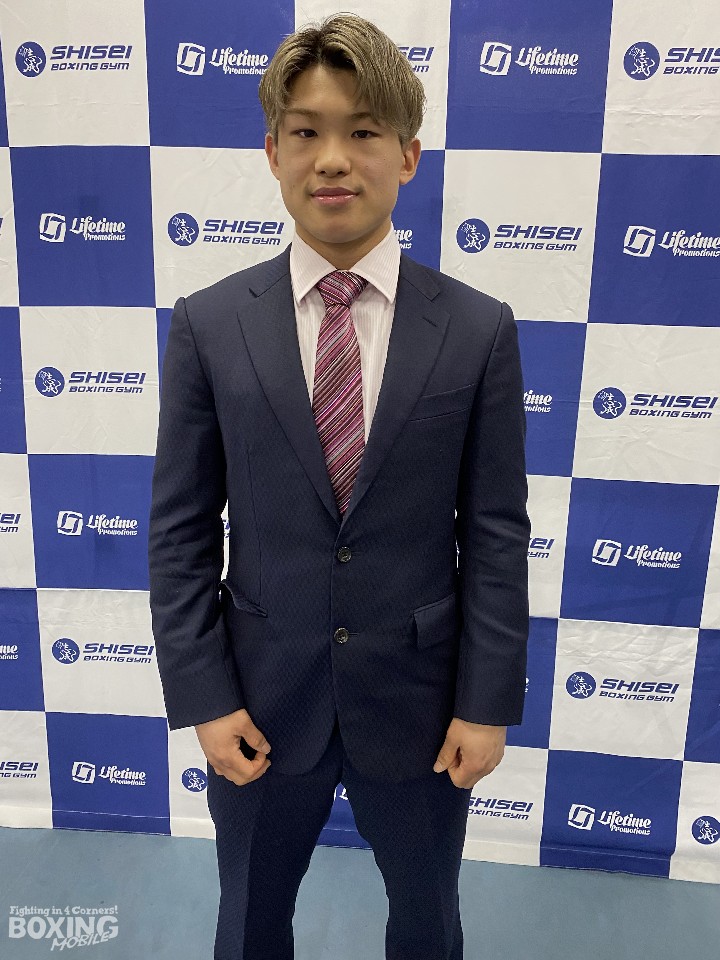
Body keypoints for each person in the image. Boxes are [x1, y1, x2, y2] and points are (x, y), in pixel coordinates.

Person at [148, 13, 529, 960]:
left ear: (408, 155)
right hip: (259, 701)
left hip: (421, 705)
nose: (333, 159)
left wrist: (486, 703)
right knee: (249, 922)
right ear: (272, 152)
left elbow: (494, 532)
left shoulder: (478, 329)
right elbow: (181, 530)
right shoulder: (208, 325)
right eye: (307, 132)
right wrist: (204, 697)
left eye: (363, 131)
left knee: (429, 924)